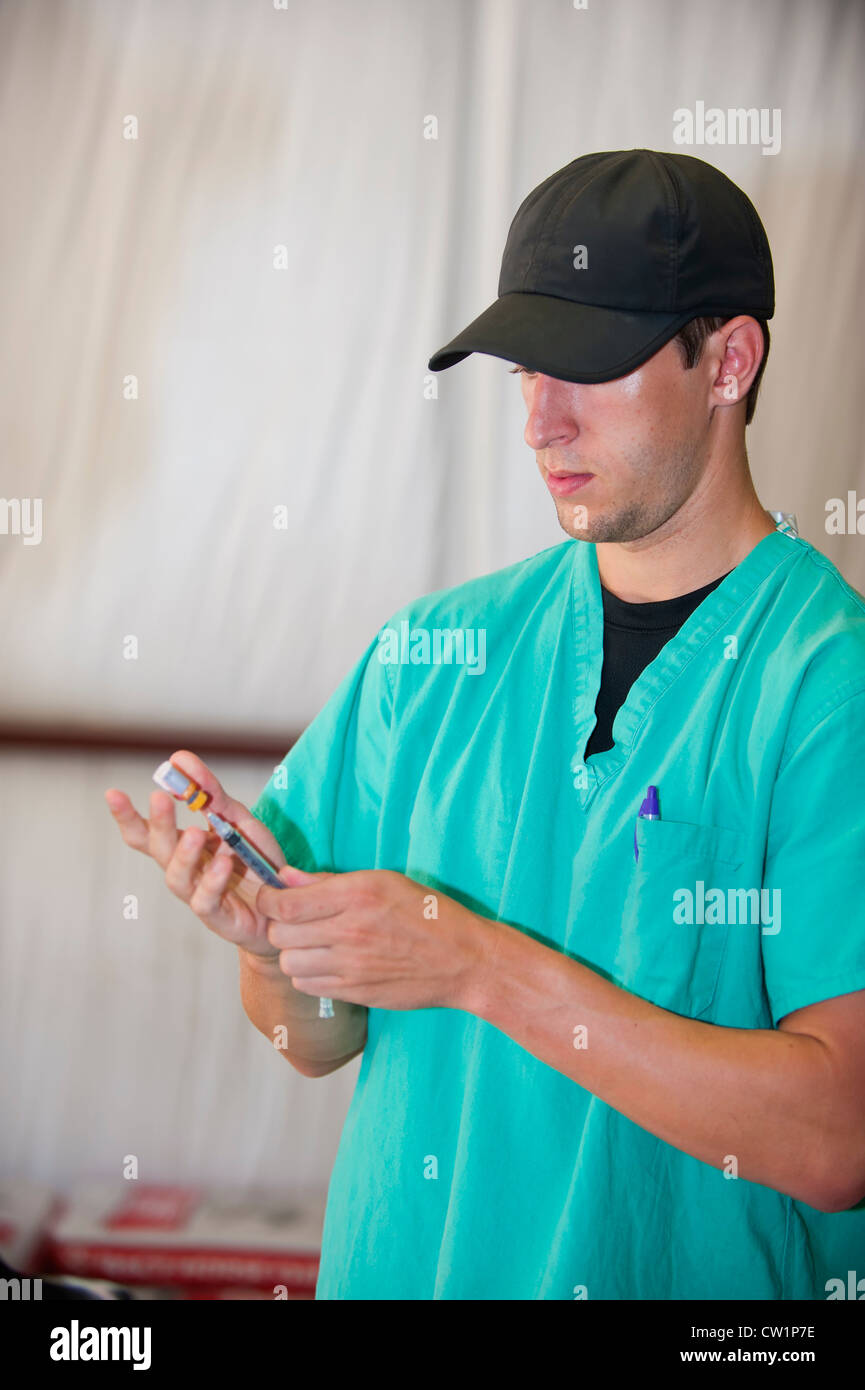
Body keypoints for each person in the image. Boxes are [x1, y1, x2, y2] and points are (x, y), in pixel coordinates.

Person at [107, 149, 865, 1301]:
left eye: (587, 369)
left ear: (729, 359)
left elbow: (834, 1142)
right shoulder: (433, 656)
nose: (538, 423)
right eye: (521, 371)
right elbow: (311, 1043)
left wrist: (474, 965)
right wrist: (273, 947)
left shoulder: (824, 684)